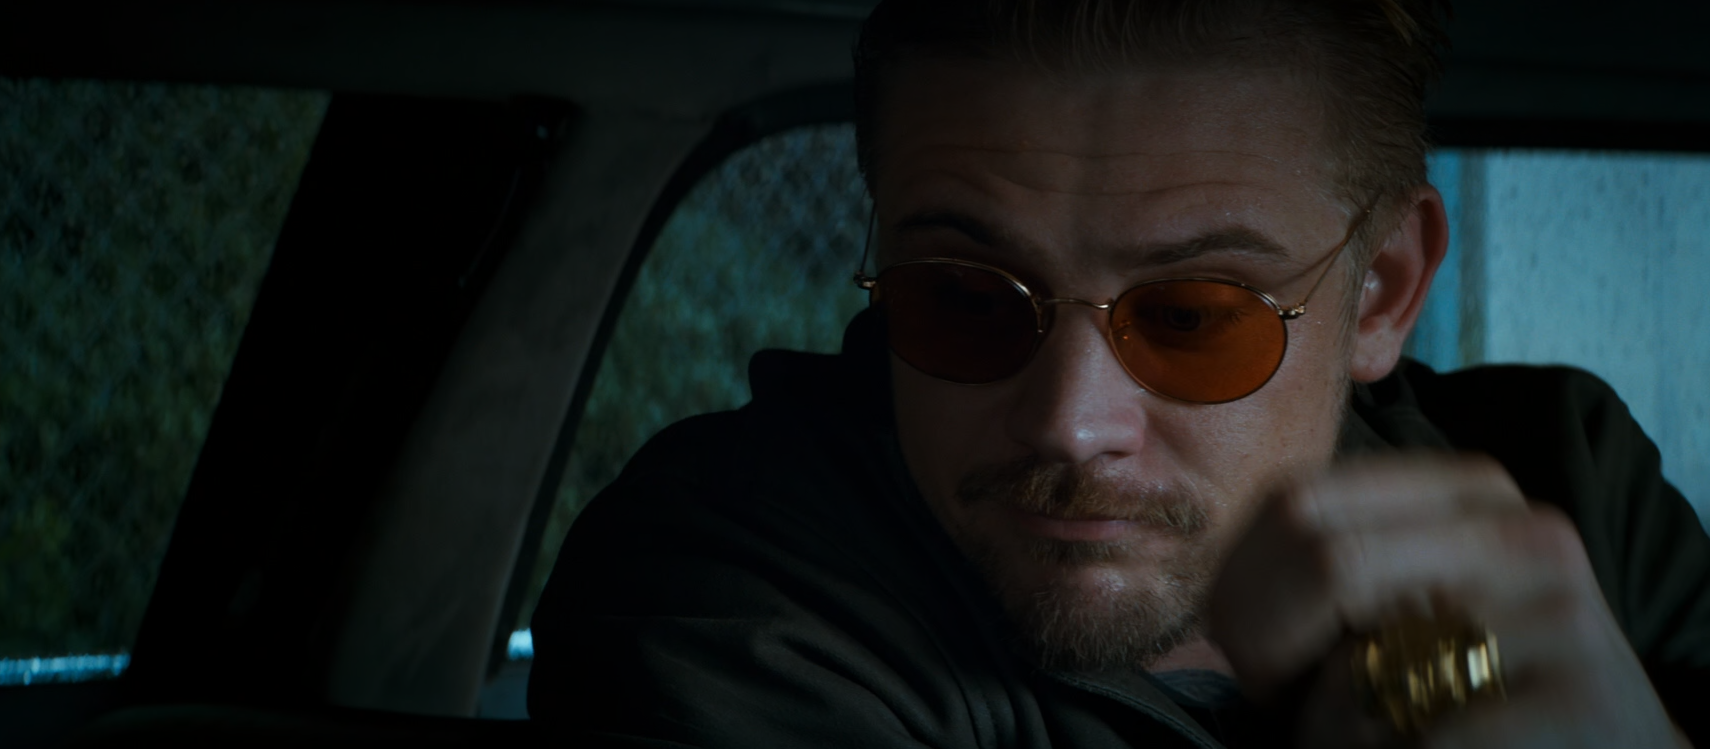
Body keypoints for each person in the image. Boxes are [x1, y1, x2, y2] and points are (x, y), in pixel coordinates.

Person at [528, 1, 1710, 746]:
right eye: (963, 298)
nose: (1069, 421)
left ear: (1384, 291)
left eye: (1193, 316)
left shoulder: (1568, 481)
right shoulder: (725, 595)